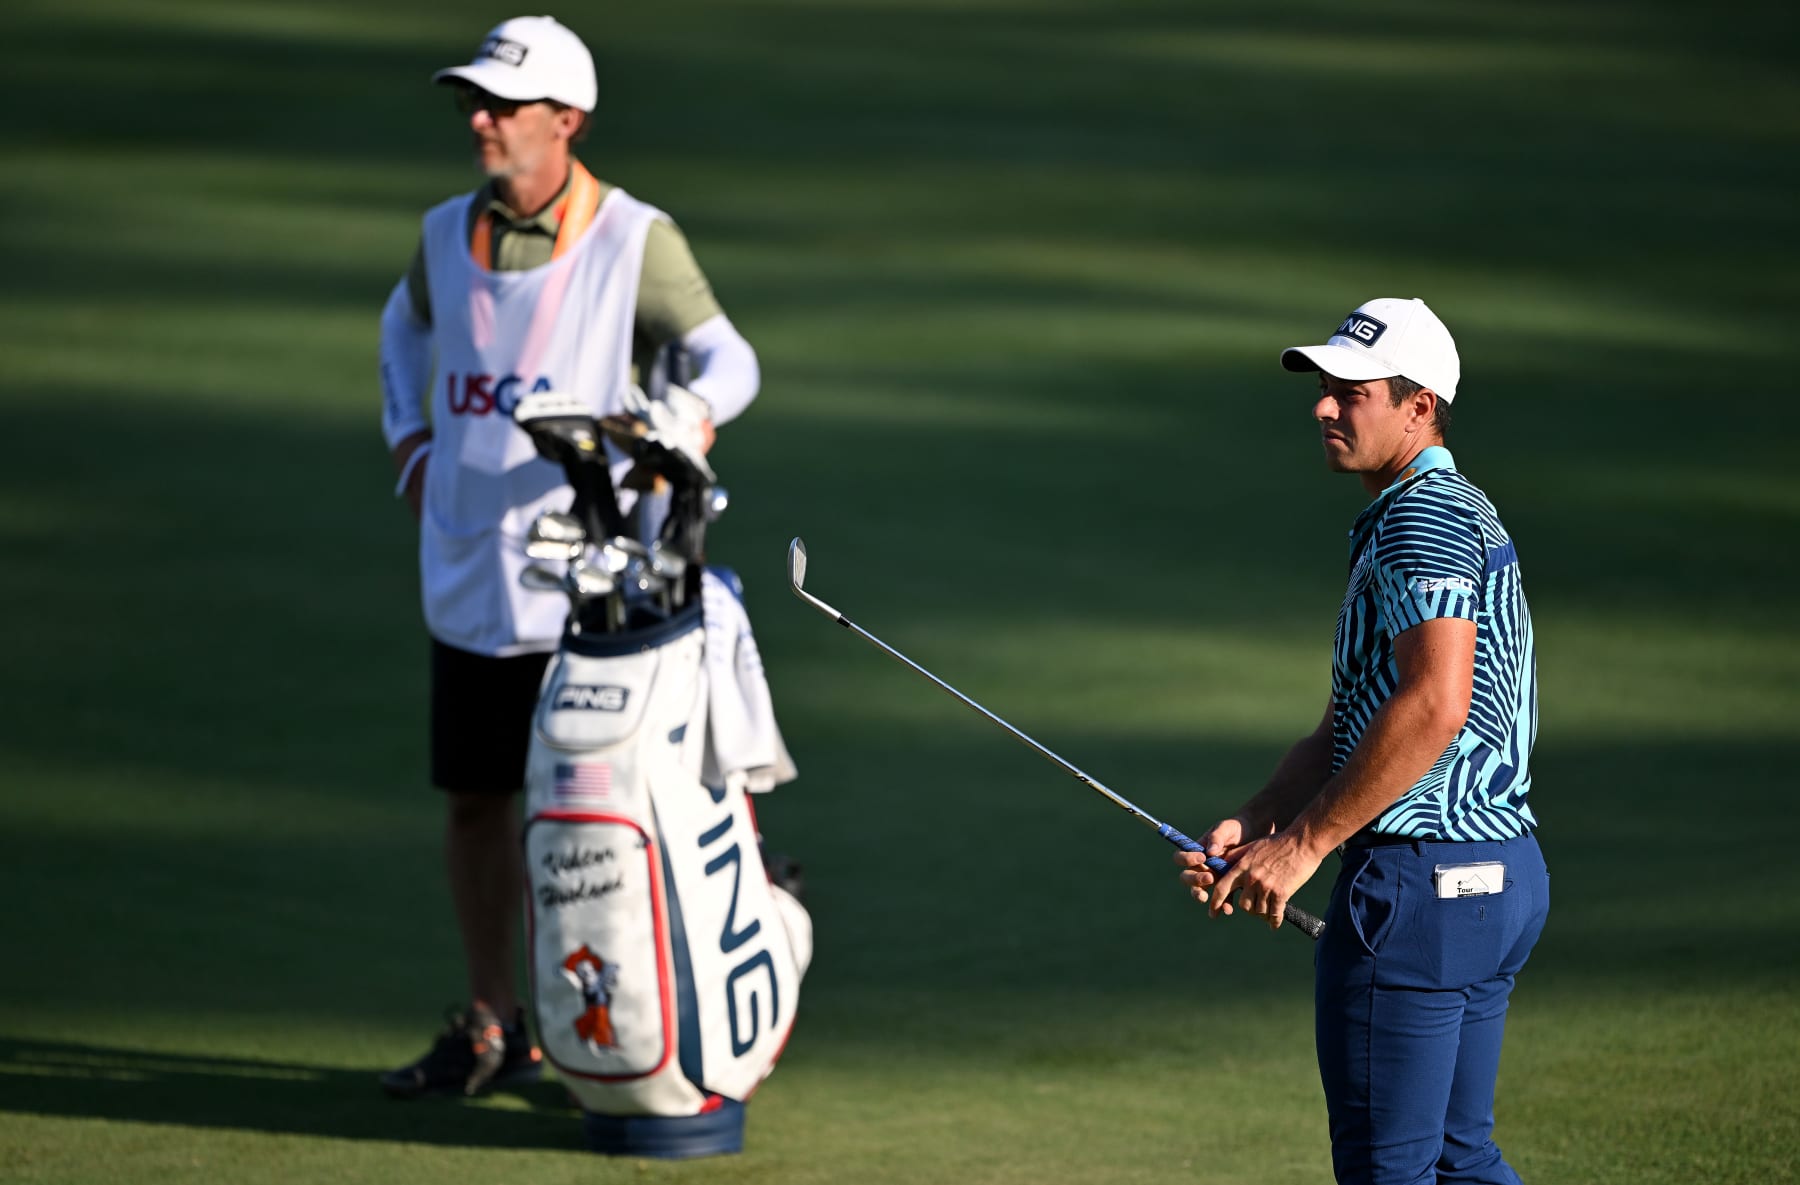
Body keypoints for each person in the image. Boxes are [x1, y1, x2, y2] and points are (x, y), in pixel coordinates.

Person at [375, 14, 761, 1098]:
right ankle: (495, 1023)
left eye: (504, 104)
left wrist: (669, 430)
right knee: (475, 801)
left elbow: (730, 363)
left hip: (587, 591)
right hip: (467, 574)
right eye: (475, 104)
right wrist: (410, 445)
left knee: (597, 812)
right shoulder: (447, 231)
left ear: (568, 119)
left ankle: (611, 1017)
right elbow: (402, 332)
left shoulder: (634, 238)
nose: (482, 120)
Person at [1175, 298, 1549, 1184]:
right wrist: (1265, 817)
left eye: (1354, 391)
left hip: (1418, 894)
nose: (1324, 406)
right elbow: (1359, 720)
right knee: (1462, 1158)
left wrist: (1304, 844)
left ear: (1421, 405)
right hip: (1498, 880)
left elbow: (1433, 707)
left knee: (1393, 1170)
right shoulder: (1453, 507)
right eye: (1326, 388)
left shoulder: (1421, 518)